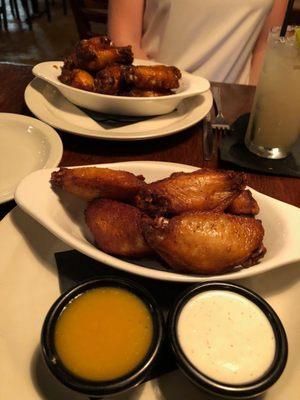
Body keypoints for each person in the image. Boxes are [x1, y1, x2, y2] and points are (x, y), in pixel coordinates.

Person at [107, 0, 288, 85]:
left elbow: (266, 46)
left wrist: (250, 108)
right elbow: (123, 41)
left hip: (228, 114)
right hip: (155, 94)